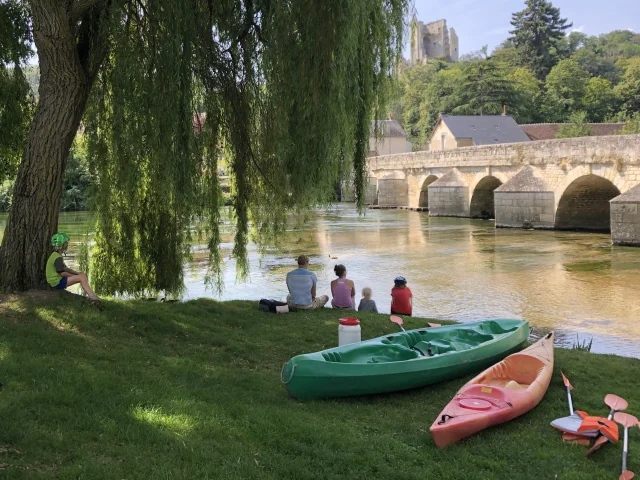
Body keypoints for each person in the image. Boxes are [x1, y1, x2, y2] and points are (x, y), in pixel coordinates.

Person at [46, 233, 101, 305]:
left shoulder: (55, 255)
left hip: (57, 280)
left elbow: (65, 269)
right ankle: (93, 298)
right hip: (57, 283)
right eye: (65, 244)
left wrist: (76, 273)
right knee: (81, 278)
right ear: (61, 246)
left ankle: (92, 296)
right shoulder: (58, 258)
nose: (67, 245)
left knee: (81, 275)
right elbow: (62, 273)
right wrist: (74, 276)